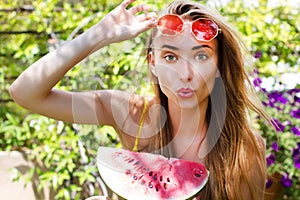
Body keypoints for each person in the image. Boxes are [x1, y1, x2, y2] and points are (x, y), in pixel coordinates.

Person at [9, 0, 270, 199]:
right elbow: (25, 93)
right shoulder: (131, 113)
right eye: (170, 57)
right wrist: (99, 34)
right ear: (153, 64)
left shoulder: (244, 148)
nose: (185, 74)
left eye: (201, 56)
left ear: (218, 67)